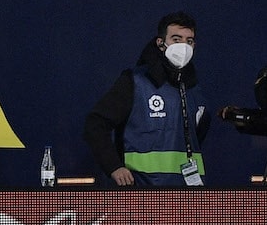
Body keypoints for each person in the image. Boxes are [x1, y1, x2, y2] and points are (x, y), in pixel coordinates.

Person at [83, 11, 211, 186]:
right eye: (176, 39)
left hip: (188, 194)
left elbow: (198, 134)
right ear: (160, 43)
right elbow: (95, 124)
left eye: (189, 41)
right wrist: (114, 167)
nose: (183, 46)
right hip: (143, 193)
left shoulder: (194, 88)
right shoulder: (136, 82)